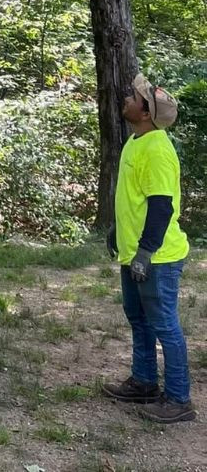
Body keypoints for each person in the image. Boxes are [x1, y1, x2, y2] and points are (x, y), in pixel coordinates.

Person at [102, 73, 194, 424]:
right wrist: (117, 230)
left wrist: (145, 252)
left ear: (145, 112)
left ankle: (179, 399)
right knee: (138, 319)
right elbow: (134, 199)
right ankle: (143, 383)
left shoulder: (157, 149)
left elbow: (161, 205)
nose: (127, 97)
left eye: (134, 97)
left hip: (157, 257)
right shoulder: (136, 142)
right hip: (134, 252)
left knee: (165, 325)